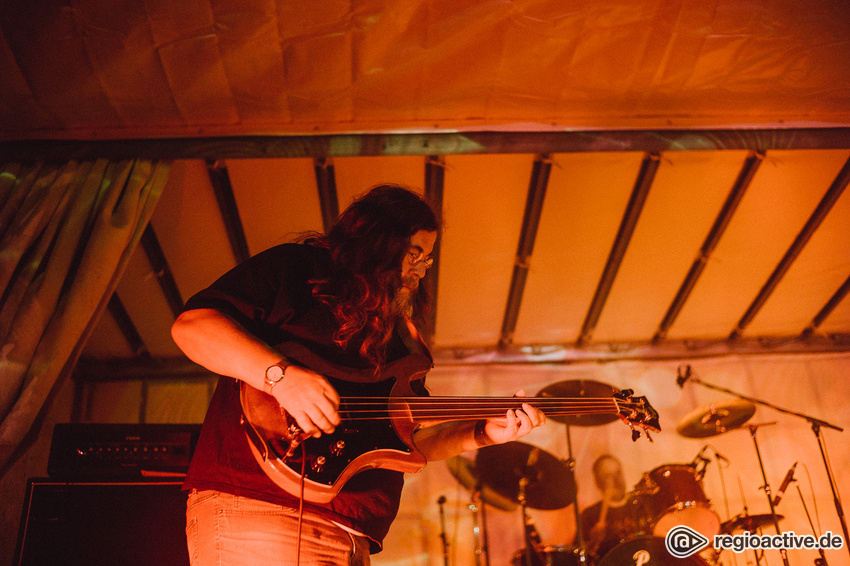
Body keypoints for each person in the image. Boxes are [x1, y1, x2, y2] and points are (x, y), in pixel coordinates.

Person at [171, 184, 546, 566]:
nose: (417, 272)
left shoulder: (399, 333)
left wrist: (482, 432)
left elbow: (406, 444)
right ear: (375, 244)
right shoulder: (294, 270)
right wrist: (281, 377)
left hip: (354, 535)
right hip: (261, 512)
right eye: (411, 255)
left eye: (427, 260)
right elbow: (193, 327)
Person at [577, 455, 643, 562]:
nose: (616, 480)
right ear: (598, 483)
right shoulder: (589, 515)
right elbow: (578, 556)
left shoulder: (641, 506)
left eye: (618, 473)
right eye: (608, 476)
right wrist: (593, 542)